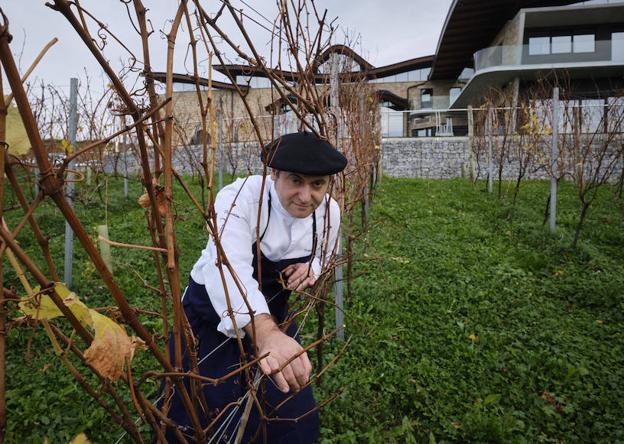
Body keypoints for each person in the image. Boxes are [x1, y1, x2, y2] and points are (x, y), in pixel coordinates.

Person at [160, 131, 347, 443]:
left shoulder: (329, 212)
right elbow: (227, 269)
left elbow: (327, 251)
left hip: (274, 315)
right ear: (273, 174)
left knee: (289, 413)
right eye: (296, 180)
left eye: (317, 184)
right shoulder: (239, 199)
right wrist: (267, 335)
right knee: (200, 408)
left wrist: (311, 267)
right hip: (209, 315)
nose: (306, 195)